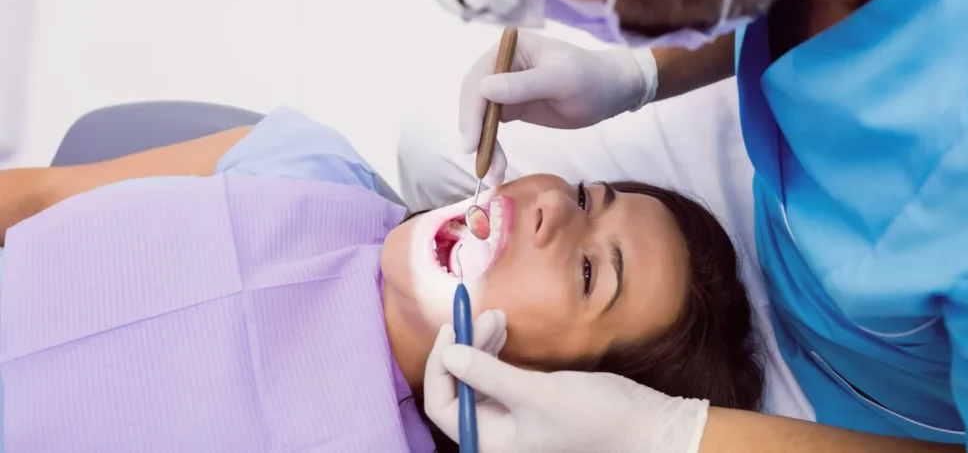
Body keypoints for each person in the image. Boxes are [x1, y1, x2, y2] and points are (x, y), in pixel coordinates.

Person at [222, 0, 968, 451]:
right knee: (437, 141)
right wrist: (641, 71)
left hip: (868, 398)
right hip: (780, 208)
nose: (533, 7)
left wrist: (673, 433)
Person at [0, 108, 764, 452]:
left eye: (592, 271)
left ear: (559, 395)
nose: (552, 209)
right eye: (589, 196)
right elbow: (30, 197)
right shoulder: (304, 160)